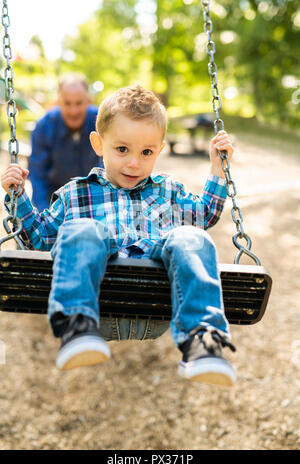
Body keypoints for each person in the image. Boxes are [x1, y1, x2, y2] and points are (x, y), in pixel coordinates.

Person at [1, 85, 236, 387]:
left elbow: (206, 214)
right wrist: (17, 196)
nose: (134, 163)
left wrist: (218, 170)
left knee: (194, 238)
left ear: (159, 150)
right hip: (99, 304)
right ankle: (76, 323)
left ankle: (202, 340)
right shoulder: (77, 194)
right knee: (83, 229)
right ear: (99, 144)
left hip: (156, 304)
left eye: (146, 152)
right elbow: (39, 239)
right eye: (122, 149)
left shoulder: (169, 192)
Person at [29, 73, 103, 211]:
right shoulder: (44, 127)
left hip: (95, 200)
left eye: (79, 103)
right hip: (56, 203)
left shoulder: (101, 122)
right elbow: (38, 175)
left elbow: (109, 166)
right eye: (67, 103)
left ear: (88, 100)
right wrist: (45, 215)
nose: (73, 111)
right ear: (58, 102)